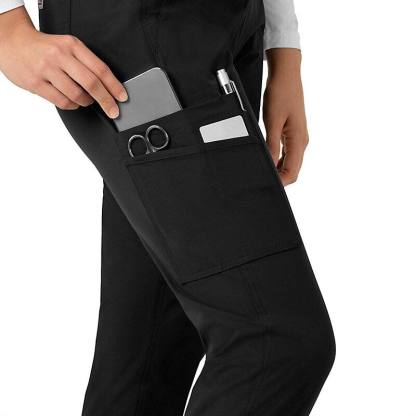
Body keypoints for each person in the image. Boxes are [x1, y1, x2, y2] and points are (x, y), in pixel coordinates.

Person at [0, 1, 336, 415]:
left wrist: (283, 47)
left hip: (230, 29)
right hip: (140, 32)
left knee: (150, 358)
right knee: (276, 342)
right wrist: (6, 28)